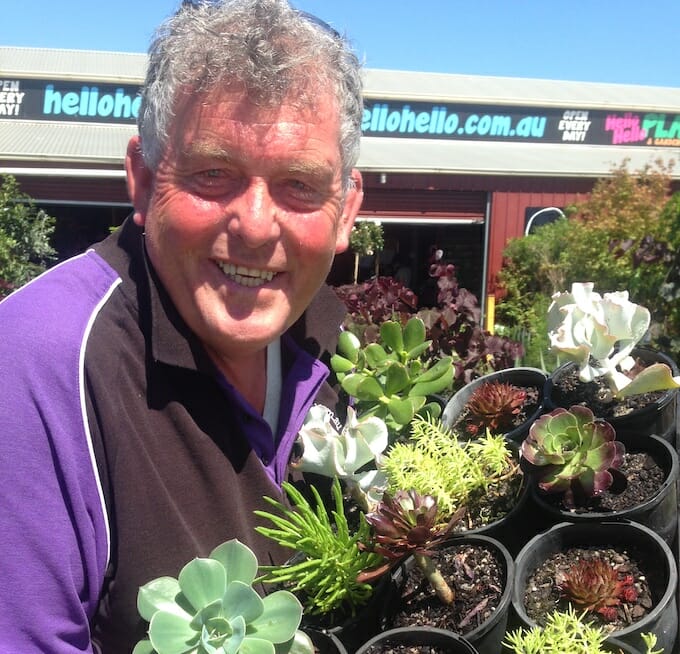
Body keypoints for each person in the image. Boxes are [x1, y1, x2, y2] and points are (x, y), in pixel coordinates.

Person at [0, 1, 364, 651]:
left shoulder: (352, 355)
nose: (255, 225)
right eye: (212, 174)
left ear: (346, 211)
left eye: (299, 184)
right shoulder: (38, 359)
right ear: (141, 181)